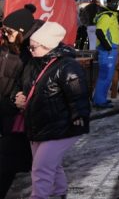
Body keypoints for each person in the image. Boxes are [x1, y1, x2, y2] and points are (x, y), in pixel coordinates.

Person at [15, 22, 90, 199]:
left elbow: (79, 98)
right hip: (39, 124)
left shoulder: (67, 66)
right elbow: (23, 86)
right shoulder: (34, 62)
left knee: (41, 168)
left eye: (33, 47)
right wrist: (18, 97)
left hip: (62, 127)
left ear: (48, 45)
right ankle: (59, 192)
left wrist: (77, 121)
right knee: (50, 165)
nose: (30, 51)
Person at [0, 8, 37, 199]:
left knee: (8, 162)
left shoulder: (31, 54)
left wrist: (16, 99)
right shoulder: (7, 47)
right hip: (6, 109)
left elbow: (25, 86)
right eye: (3, 30)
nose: (5, 34)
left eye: (9, 31)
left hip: (17, 117)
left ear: (22, 30)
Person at [93, 0, 119, 109]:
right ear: (108, 3)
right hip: (107, 50)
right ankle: (99, 101)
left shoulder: (112, 15)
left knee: (107, 76)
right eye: (113, 3)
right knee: (105, 76)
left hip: (110, 49)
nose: (115, 5)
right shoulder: (107, 15)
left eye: (116, 3)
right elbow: (99, 31)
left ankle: (101, 99)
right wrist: (108, 47)